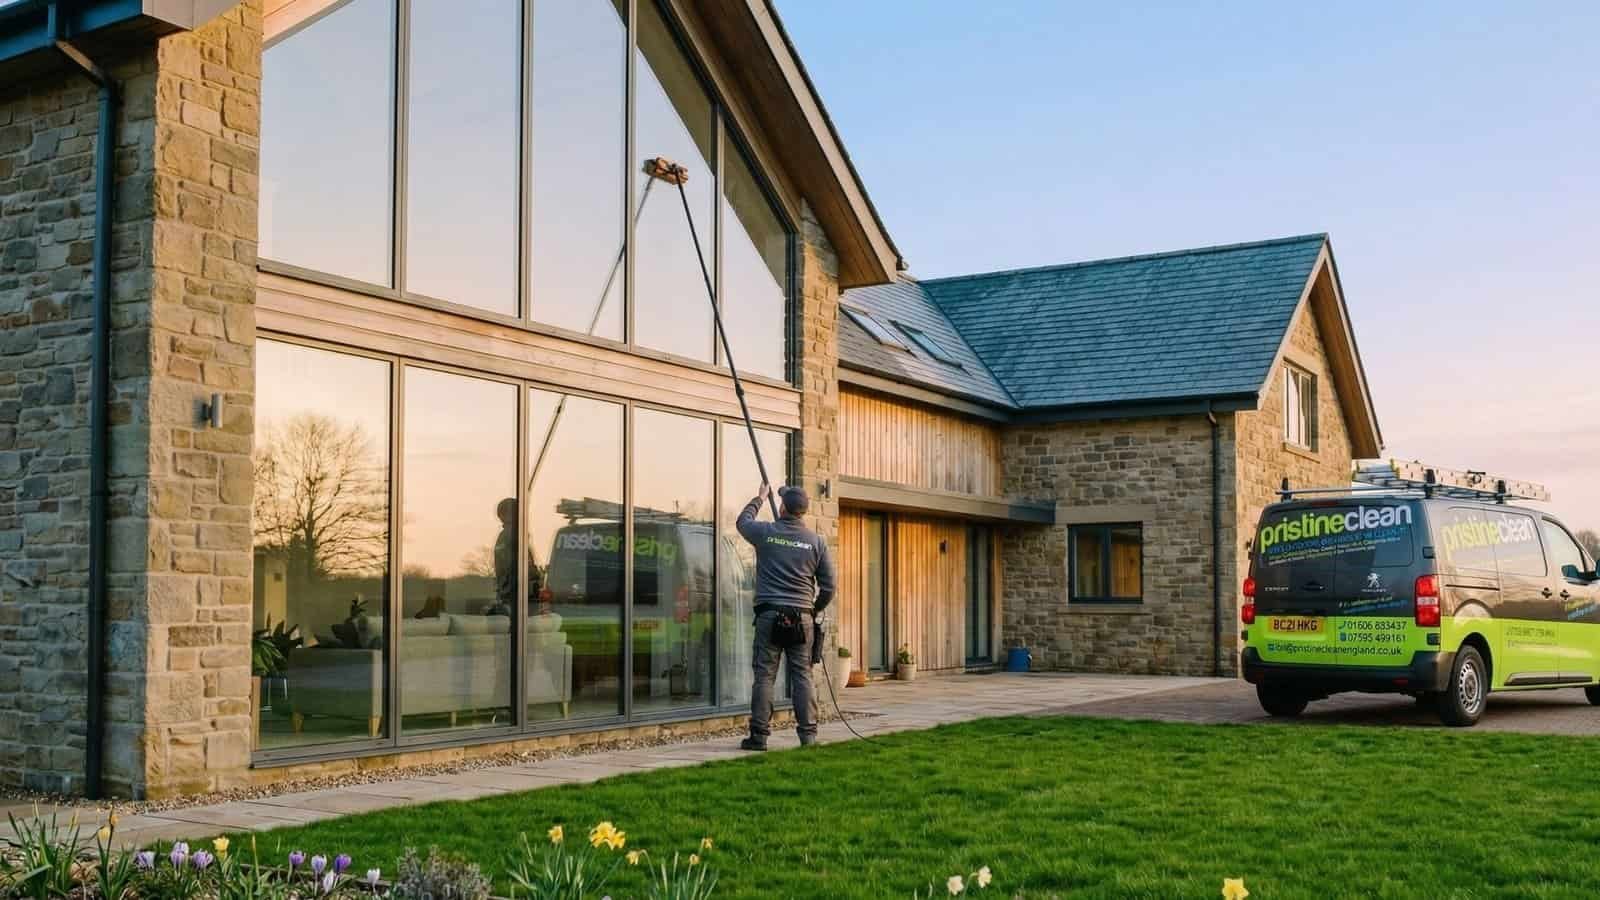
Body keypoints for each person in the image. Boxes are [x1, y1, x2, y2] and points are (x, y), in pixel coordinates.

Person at [735, 482, 836, 750]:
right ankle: (808, 737)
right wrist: (814, 609)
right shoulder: (816, 542)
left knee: (765, 676)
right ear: (803, 511)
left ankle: (759, 737)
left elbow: (742, 522)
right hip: (801, 617)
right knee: (802, 675)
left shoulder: (766, 533)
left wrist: (759, 498)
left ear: (782, 508)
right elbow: (829, 587)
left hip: (769, 615)